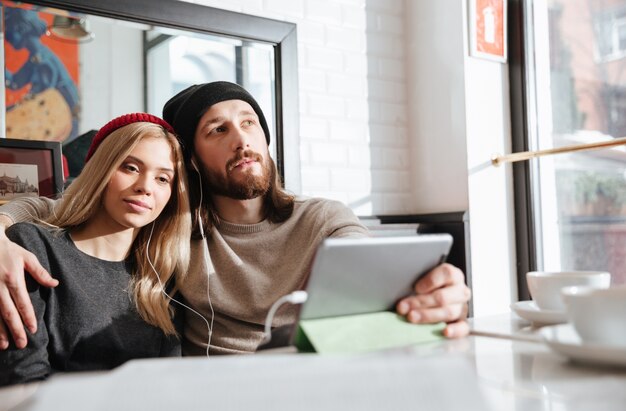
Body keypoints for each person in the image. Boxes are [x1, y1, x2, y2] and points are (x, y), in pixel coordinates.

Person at [0, 82, 471, 356]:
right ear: (193, 162)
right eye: (217, 130)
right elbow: (53, 210)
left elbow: (374, 269)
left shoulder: (323, 218)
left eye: (249, 123)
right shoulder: (170, 227)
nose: (241, 139)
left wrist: (429, 293)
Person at [0, 113, 191, 385]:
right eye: (131, 167)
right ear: (101, 168)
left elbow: (168, 387)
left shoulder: (161, 281)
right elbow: (23, 379)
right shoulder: (32, 248)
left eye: (163, 179)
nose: (145, 187)